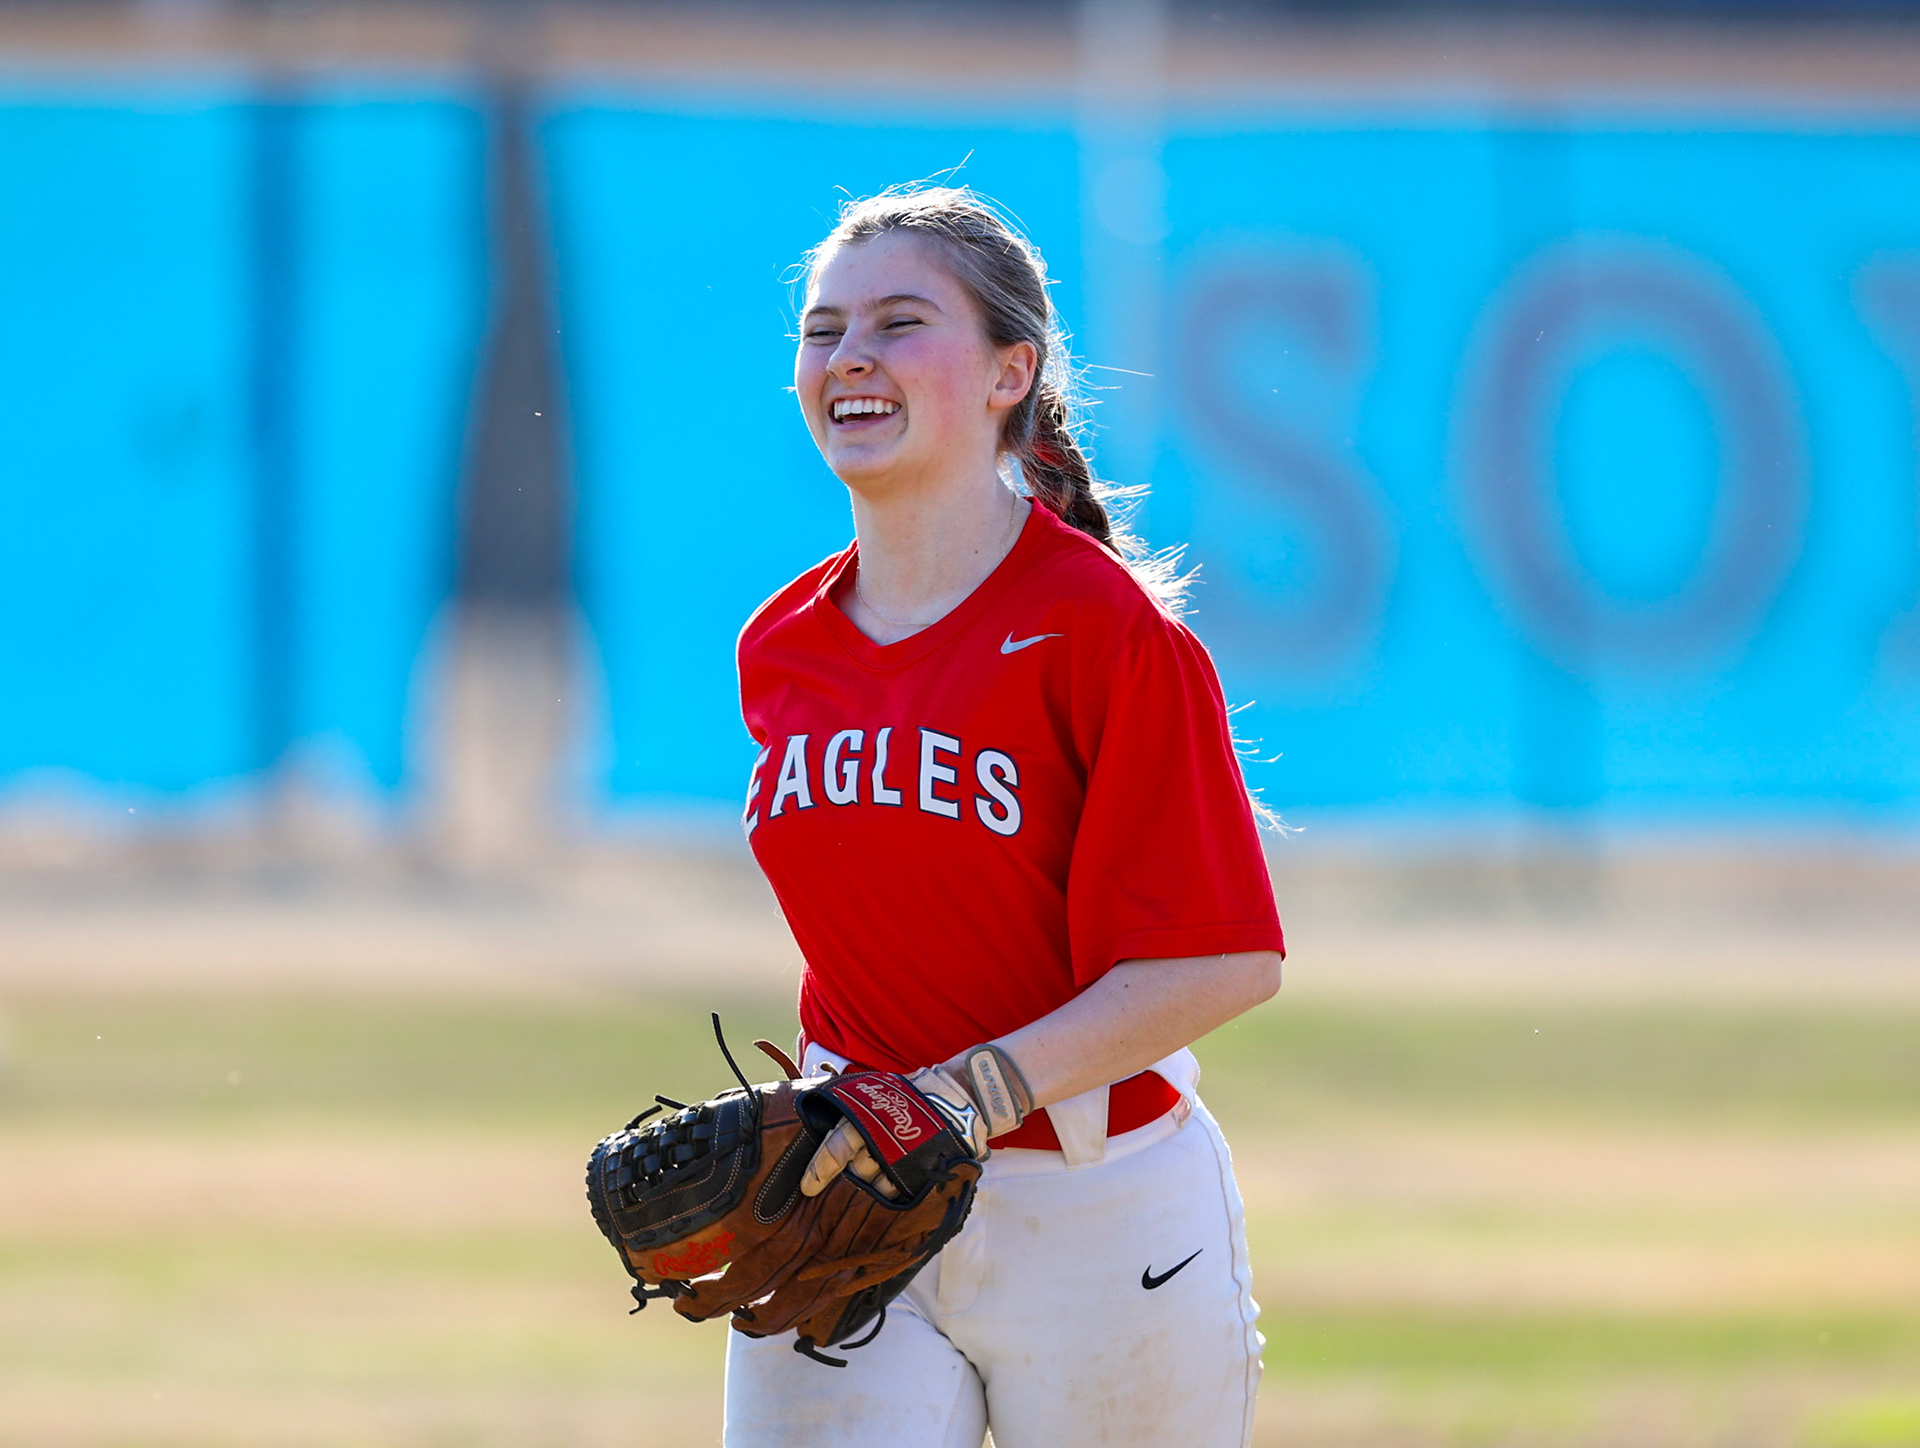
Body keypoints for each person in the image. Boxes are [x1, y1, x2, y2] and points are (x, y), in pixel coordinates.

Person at [727, 184, 1285, 1448]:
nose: (849, 356)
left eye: (899, 321)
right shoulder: (782, 643)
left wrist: (968, 1094)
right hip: (854, 1198)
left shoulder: (1107, 634)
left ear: (1008, 371)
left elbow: (1223, 956)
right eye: (823, 330)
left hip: (1099, 1211)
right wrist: (854, 1093)